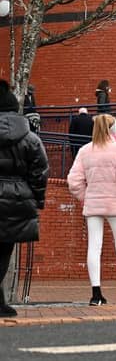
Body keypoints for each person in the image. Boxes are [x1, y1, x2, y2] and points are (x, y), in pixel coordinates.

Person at [67, 114, 116, 307]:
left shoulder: (85, 151)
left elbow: (74, 182)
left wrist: (86, 197)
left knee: (94, 247)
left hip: (93, 205)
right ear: (113, 128)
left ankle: (96, 294)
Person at [0, 80, 48, 318]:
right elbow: (40, 169)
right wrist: (37, 198)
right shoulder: (28, 138)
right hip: (16, 197)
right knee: (4, 249)